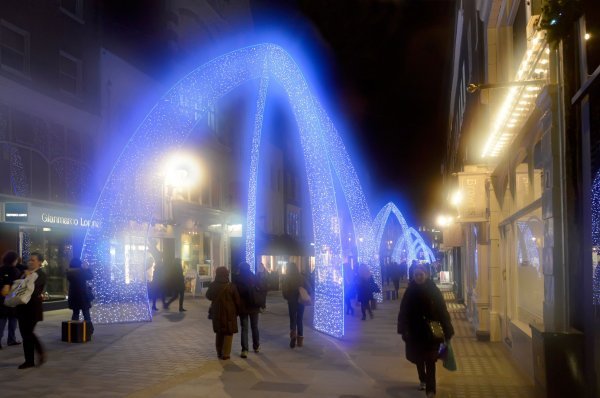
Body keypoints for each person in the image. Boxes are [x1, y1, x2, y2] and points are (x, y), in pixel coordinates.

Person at [397, 263, 454, 398]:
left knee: (430, 360)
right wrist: (403, 329)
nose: (418, 277)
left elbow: (442, 310)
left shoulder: (434, 290)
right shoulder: (410, 291)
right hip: (415, 331)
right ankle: (422, 379)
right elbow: (403, 311)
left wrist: (447, 328)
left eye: (421, 274)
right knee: (418, 359)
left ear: (426, 275)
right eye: (416, 275)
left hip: (431, 331)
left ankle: (431, 389)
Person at [16, 252, 47, 369]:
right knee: (25, 334)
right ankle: (29, 360)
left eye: (33, 260)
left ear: (39, 262)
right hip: (22, 308)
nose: (30, 262)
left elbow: (34, 290)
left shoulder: (41, 274)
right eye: (29, 260)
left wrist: (28, 277)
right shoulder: (23, 273)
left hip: (33, 309)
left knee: (28, 333)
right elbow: (18, 287)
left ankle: (37, 354)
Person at [206, 266, 240, 360]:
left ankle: (219, 351)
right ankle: (226, 354)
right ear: (226, 274)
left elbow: (208, 296)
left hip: (217, 312)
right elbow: (237, 300)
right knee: (228, 332)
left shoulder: (213, 285)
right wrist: (237, 312)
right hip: (229, 313)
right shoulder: (231, 286)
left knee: (219, 332)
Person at [234, 262, 264, 358]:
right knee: (254, 327)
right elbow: (261, 288)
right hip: (254, 306)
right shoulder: (254, 276)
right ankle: (256, 346)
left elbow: (236, 293)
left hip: (243, 307)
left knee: (244, 328)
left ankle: (245, 350)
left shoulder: (238, 278)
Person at [282, 262, 310, 348]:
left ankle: (293, 335)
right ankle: (300, 341)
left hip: (292, 302)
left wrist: (288, 297)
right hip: (301, 301)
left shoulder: (287, 278)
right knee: (299, 320)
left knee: (293, 319)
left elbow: (285, 291)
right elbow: (309, 288)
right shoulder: (302, 277)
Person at [0, 250, 22, 349]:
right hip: (12, 298)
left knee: (2, 320)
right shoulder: (15, 270)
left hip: (1, 299)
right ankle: (11, 339)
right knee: (12, 320)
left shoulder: (0, 269)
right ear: (14, 260)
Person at [66, 258, 94, 334]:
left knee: (75, 314)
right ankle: (89, 330)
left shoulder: (69, 272)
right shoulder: (81, 271)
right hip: (82, 296)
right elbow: (90, 276)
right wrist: (87, 268)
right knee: (86, 314)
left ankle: (73, 331)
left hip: (74, 296)